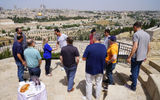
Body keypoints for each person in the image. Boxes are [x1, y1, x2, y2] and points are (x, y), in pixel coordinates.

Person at [126, 22, 150, 91]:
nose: (133, 29)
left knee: (134, 71)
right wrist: (145, 56)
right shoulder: (147, 35)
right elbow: (148, 47)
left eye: (134, 28)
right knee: (137, 69)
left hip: (136, 57)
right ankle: (133, 78)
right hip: (142, 56)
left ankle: (133, 86)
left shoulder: (136, 34)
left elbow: (135, 47)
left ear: (135, 27)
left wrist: (129, 57)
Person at [83, 33, 107, 100]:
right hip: (100, 69)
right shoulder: (104, 47)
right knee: (99, 84)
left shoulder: (89, 47)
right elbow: (105, 56)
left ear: (94, 39)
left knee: (89, 84)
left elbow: (84, 58)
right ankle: (97, 97)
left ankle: (88, 98)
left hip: (90, 69)